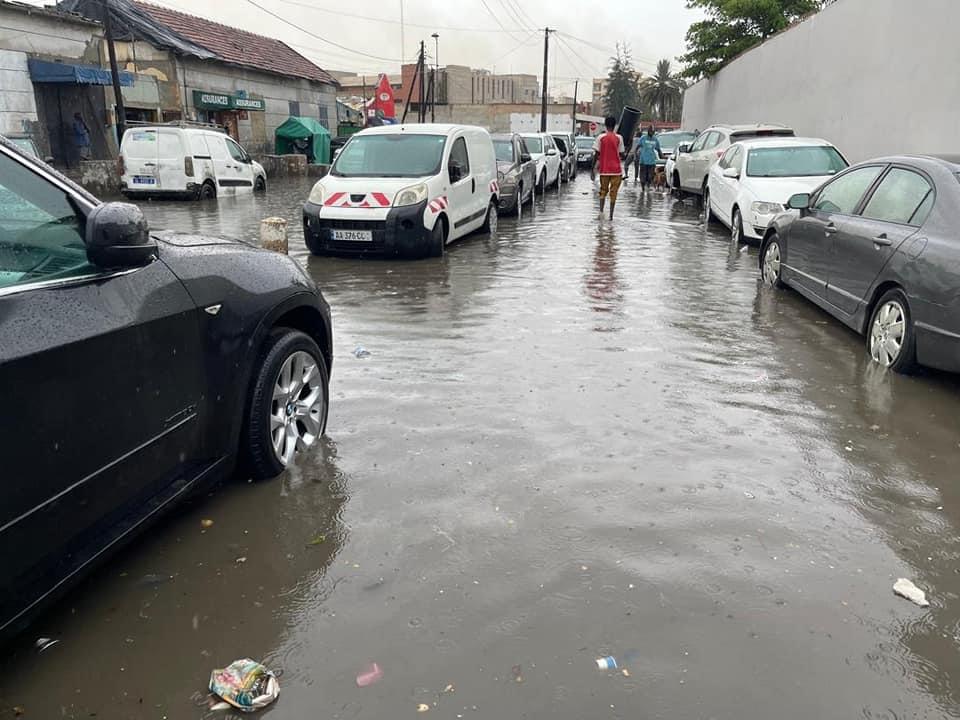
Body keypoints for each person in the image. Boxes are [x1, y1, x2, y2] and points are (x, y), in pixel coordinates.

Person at [591, 115, 625, 220]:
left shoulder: (600, 138)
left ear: (605, 125)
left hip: (604, 170)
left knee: (603, 191)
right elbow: (622, 155)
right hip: (616, 171)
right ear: (614, 126)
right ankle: (611, 217)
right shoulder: (619, 138)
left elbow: (596, 154)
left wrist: (592, 169)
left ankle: (601, 213)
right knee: (613, 194)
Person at [635, 125, 661, 191]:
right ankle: (643, 188)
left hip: (652, 161)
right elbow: (637, 147)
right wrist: (636, 154)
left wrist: (662, 156)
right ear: (648, 131)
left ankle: (648, 186)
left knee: (650, 176)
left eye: (653, 132)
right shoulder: (643, 138)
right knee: (643, 177)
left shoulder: (655, 139)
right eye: (651, 131)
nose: (652, 133)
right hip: (643, 160)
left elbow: (658, 149)